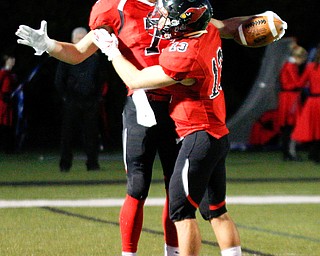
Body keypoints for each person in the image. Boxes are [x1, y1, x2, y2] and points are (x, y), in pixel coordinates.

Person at [15, 2, 284, 254]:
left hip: (180, 108)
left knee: (176, 194)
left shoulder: (181, 11)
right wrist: (49, 45)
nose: (161, 19)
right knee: (138, 186)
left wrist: (258, 23)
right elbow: (78, 54)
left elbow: (222, 26)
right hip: (151, 106)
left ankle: (172, 251)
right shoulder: (119, 8)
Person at [92, 0, 243, 254]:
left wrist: (113, 53)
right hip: (217, 134)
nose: (160, 19)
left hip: (197, 136)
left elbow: (136, 79)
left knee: (182, 212)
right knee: (217, 211)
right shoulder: (209, 33)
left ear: (184, 21)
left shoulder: (186, 54)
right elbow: (226, 27)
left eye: (166, 15)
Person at [55, 27, 104, 171]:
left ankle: (92, 164)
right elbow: (59, 79)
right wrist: (65, 97)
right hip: (72, 100)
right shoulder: (65, 57)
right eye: (78, 38)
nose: (81, 41)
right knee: (67, 134)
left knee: (92, 134)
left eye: (84, 38)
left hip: (90, 101)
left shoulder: (95, 58)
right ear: (72, 40)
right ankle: (65, 164)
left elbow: (101, 78)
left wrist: (97, 97)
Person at [278, 44, 308, 161]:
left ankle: (287, 153)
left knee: (288, 127)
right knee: (290, 126)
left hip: (287, 97)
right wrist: (306, 80)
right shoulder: (290, 66)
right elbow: (297, 83)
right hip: (290, 98)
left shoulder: (287, 65)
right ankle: (289, 153)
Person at [291, 43, 320, 164]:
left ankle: (313, 154)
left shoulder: (310, 67)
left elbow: (300, 83)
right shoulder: (311, 67)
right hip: (317, 100)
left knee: (312, 129)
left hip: (312, 102)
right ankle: (315, 155)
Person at [0, 54, 18, 154]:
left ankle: (8, 148)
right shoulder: (3, 73)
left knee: (9, 125)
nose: (13, 61)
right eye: (11, 59)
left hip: (10, 102)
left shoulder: (12, 74)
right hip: (3, 102)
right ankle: (5, 147)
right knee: (3, 125)